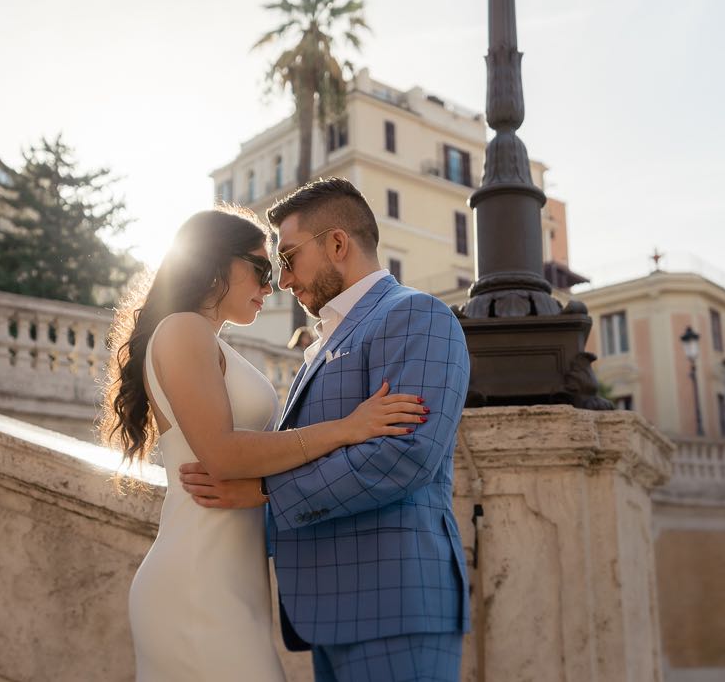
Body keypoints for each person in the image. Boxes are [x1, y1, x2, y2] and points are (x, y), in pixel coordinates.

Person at [100, 206, 428, 682]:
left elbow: (251, 459)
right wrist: (348, 428)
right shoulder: (183, 329)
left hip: (230, 584)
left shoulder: (204, 339)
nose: (272, 285)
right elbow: (224, 454)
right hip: (198, 584)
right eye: (261, 269)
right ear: (215, 264)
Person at [179, 178, 471, 681]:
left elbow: (403, 456)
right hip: (330, 615)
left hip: (394, 605)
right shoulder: (323, 342)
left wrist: (267, 491)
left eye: (288, 258)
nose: (284, 281)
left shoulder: (417, 315)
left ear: (337, 244)